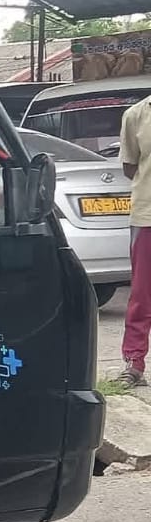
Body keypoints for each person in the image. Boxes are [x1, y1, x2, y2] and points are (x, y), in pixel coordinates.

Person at [119, 89, 151, 388]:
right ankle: (134, 362)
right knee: (142, 294)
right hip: (147, 215)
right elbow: (130, 166)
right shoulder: (136, 115)